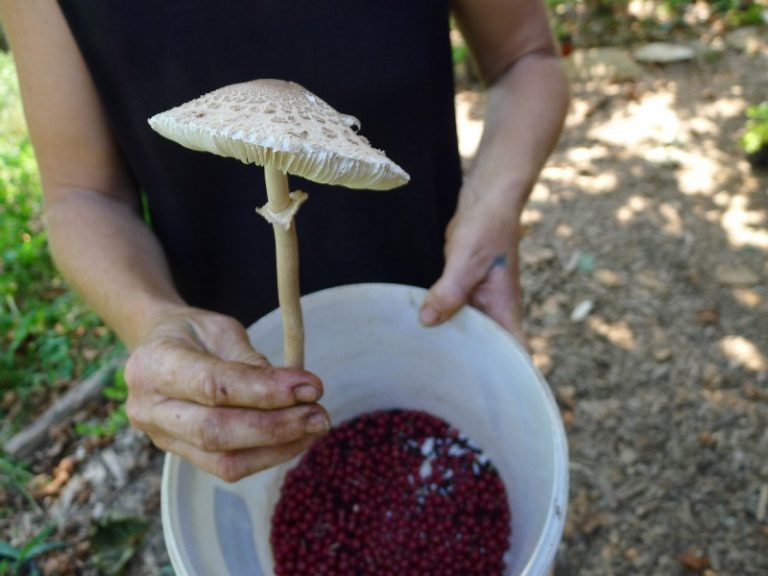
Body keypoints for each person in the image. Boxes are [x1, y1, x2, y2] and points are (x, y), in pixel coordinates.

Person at [0, 0, 569, 482]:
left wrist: (491, 212)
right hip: (238, 373)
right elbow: (81, 194)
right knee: (296, 490)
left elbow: (527, 57)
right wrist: (153, 321)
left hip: (431, 304)